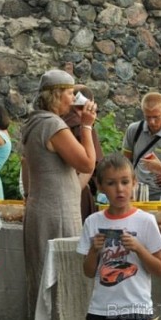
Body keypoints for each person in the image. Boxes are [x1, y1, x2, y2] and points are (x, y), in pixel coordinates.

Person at [21, 69, 97, 320]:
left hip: (40, 207)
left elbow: (63, 176)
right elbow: (87, 163)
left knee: (41, 276)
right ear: (56, 95)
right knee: (60, 278)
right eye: (69, 92)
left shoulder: (34, 122)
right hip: (57, 213)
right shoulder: (52, 125)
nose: (73, 98)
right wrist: (86, 127)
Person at [77, 153, 161, 320]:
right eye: (111, 183)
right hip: (101, 309)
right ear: (100, 186)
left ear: (134, 183)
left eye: (125, 182)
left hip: (135, 309)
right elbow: (88, 272)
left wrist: (139, 248)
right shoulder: (93, 221)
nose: (119, 189)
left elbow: (159, 270)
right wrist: (94, 250)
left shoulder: (146, 221)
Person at [121, 92, 161, 201]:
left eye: (156, 117)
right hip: (136, 196)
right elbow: (125, 161)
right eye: (147, 117)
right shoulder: (134, 130)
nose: (152, 122)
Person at [61, 86, 104, 221]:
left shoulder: (56, 122)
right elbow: (89, 165)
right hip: (77, 191)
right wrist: (75, 191)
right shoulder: (83, 126)